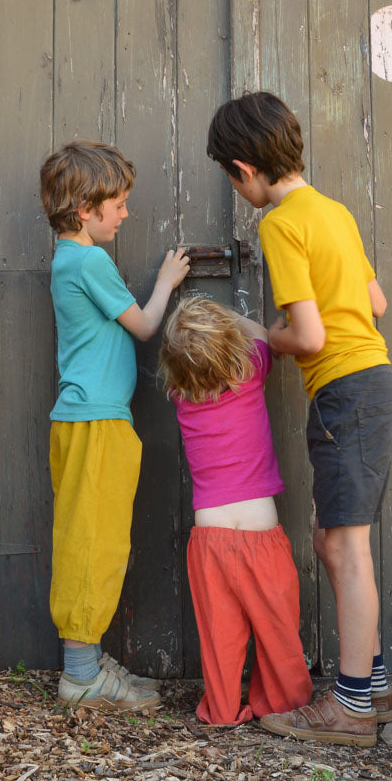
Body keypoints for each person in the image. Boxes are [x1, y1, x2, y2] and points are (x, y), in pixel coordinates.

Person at [207, 92, 392, 747]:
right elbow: (377, 301)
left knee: (345, 547)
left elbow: (311, 336)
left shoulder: (281, 223)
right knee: (334, 541)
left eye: (233, 180)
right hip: (373, 386)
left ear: (244, 170)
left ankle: (350, 708)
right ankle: (372, 686)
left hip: (345, 392)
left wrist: (260, 333)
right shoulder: (333, 210)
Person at [40, 140, 190, 712]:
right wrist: (167, 281)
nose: (125, 214)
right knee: (93, 543)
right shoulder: (89, 262)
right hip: (97, 422)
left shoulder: (68, 259)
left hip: (89, 422)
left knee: (90, 536)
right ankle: (80, 676)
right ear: (85, 209)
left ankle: (88, 660)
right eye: (119, 204)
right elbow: (145, 326)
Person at [159, 296, 313, 725]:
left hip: (209, 539)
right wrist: (227, 315)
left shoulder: (180, 396)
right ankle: (285, 705)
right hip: (259, 535)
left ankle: (223, 708)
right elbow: (261, 334)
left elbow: (188, 359)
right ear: (229, 343)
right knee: (278, 629)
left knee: (220, 635)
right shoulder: (252, 370)